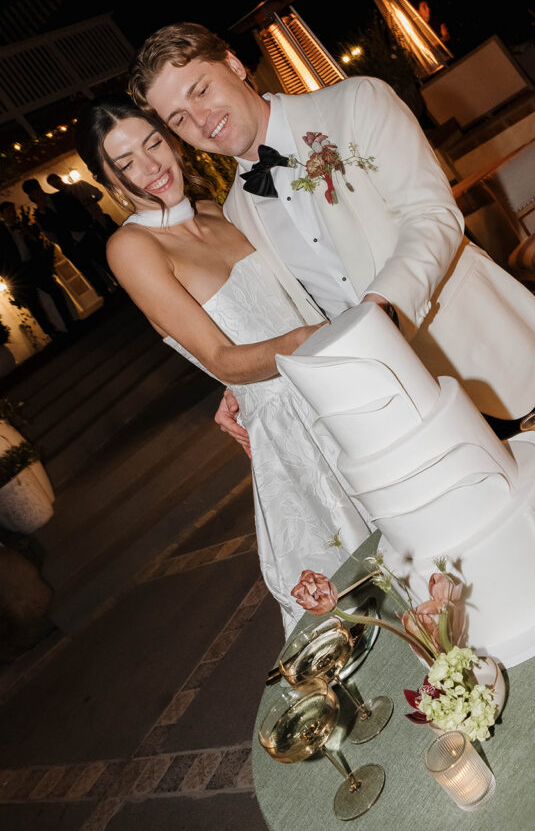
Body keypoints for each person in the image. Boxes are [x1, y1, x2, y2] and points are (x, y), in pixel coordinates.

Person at [129, 23, 535, 450]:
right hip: (403, 415)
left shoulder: (356, 102)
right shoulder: (236, 213)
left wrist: (378, 313)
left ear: (234, 64)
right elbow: (284, 318)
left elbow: (432, 217)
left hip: (492, 361)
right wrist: (243, 389)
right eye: (180, 118)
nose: (202, 121)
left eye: (201, 90)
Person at [76, 96, 371, 634]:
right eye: (126, 163)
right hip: (296, 428)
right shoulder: (132, 248)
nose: (151, 166)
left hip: (340, 384)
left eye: (153, 143)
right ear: (109, 182)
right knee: (359, 598)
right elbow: (219, 357)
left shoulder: (220, 210)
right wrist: (305, 342)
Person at [21, 177, 113, 297]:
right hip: (69, 245)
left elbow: (79, 209)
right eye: (33, 193)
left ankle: (124, 284)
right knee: (88, 272)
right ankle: (105, 294)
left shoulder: (61, 196)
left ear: (40, 188)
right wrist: (43, 210)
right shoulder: (39, 214)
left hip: (84, 234)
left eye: (37, 190)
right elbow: (49, 231)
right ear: (30, 195)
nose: (37, 194)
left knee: (104, 261)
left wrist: (86, 226)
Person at [0, 201, 75, 338]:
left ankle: (69, 322)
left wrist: (30, 236)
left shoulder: (22, 225)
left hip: (34, 266)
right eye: (9, 212)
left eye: (13, 211)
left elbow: (37, 245)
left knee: (54, 291)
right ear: (2, 215)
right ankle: (51, 332)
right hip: (18, 273)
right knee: (33, 304)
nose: (13, 214)